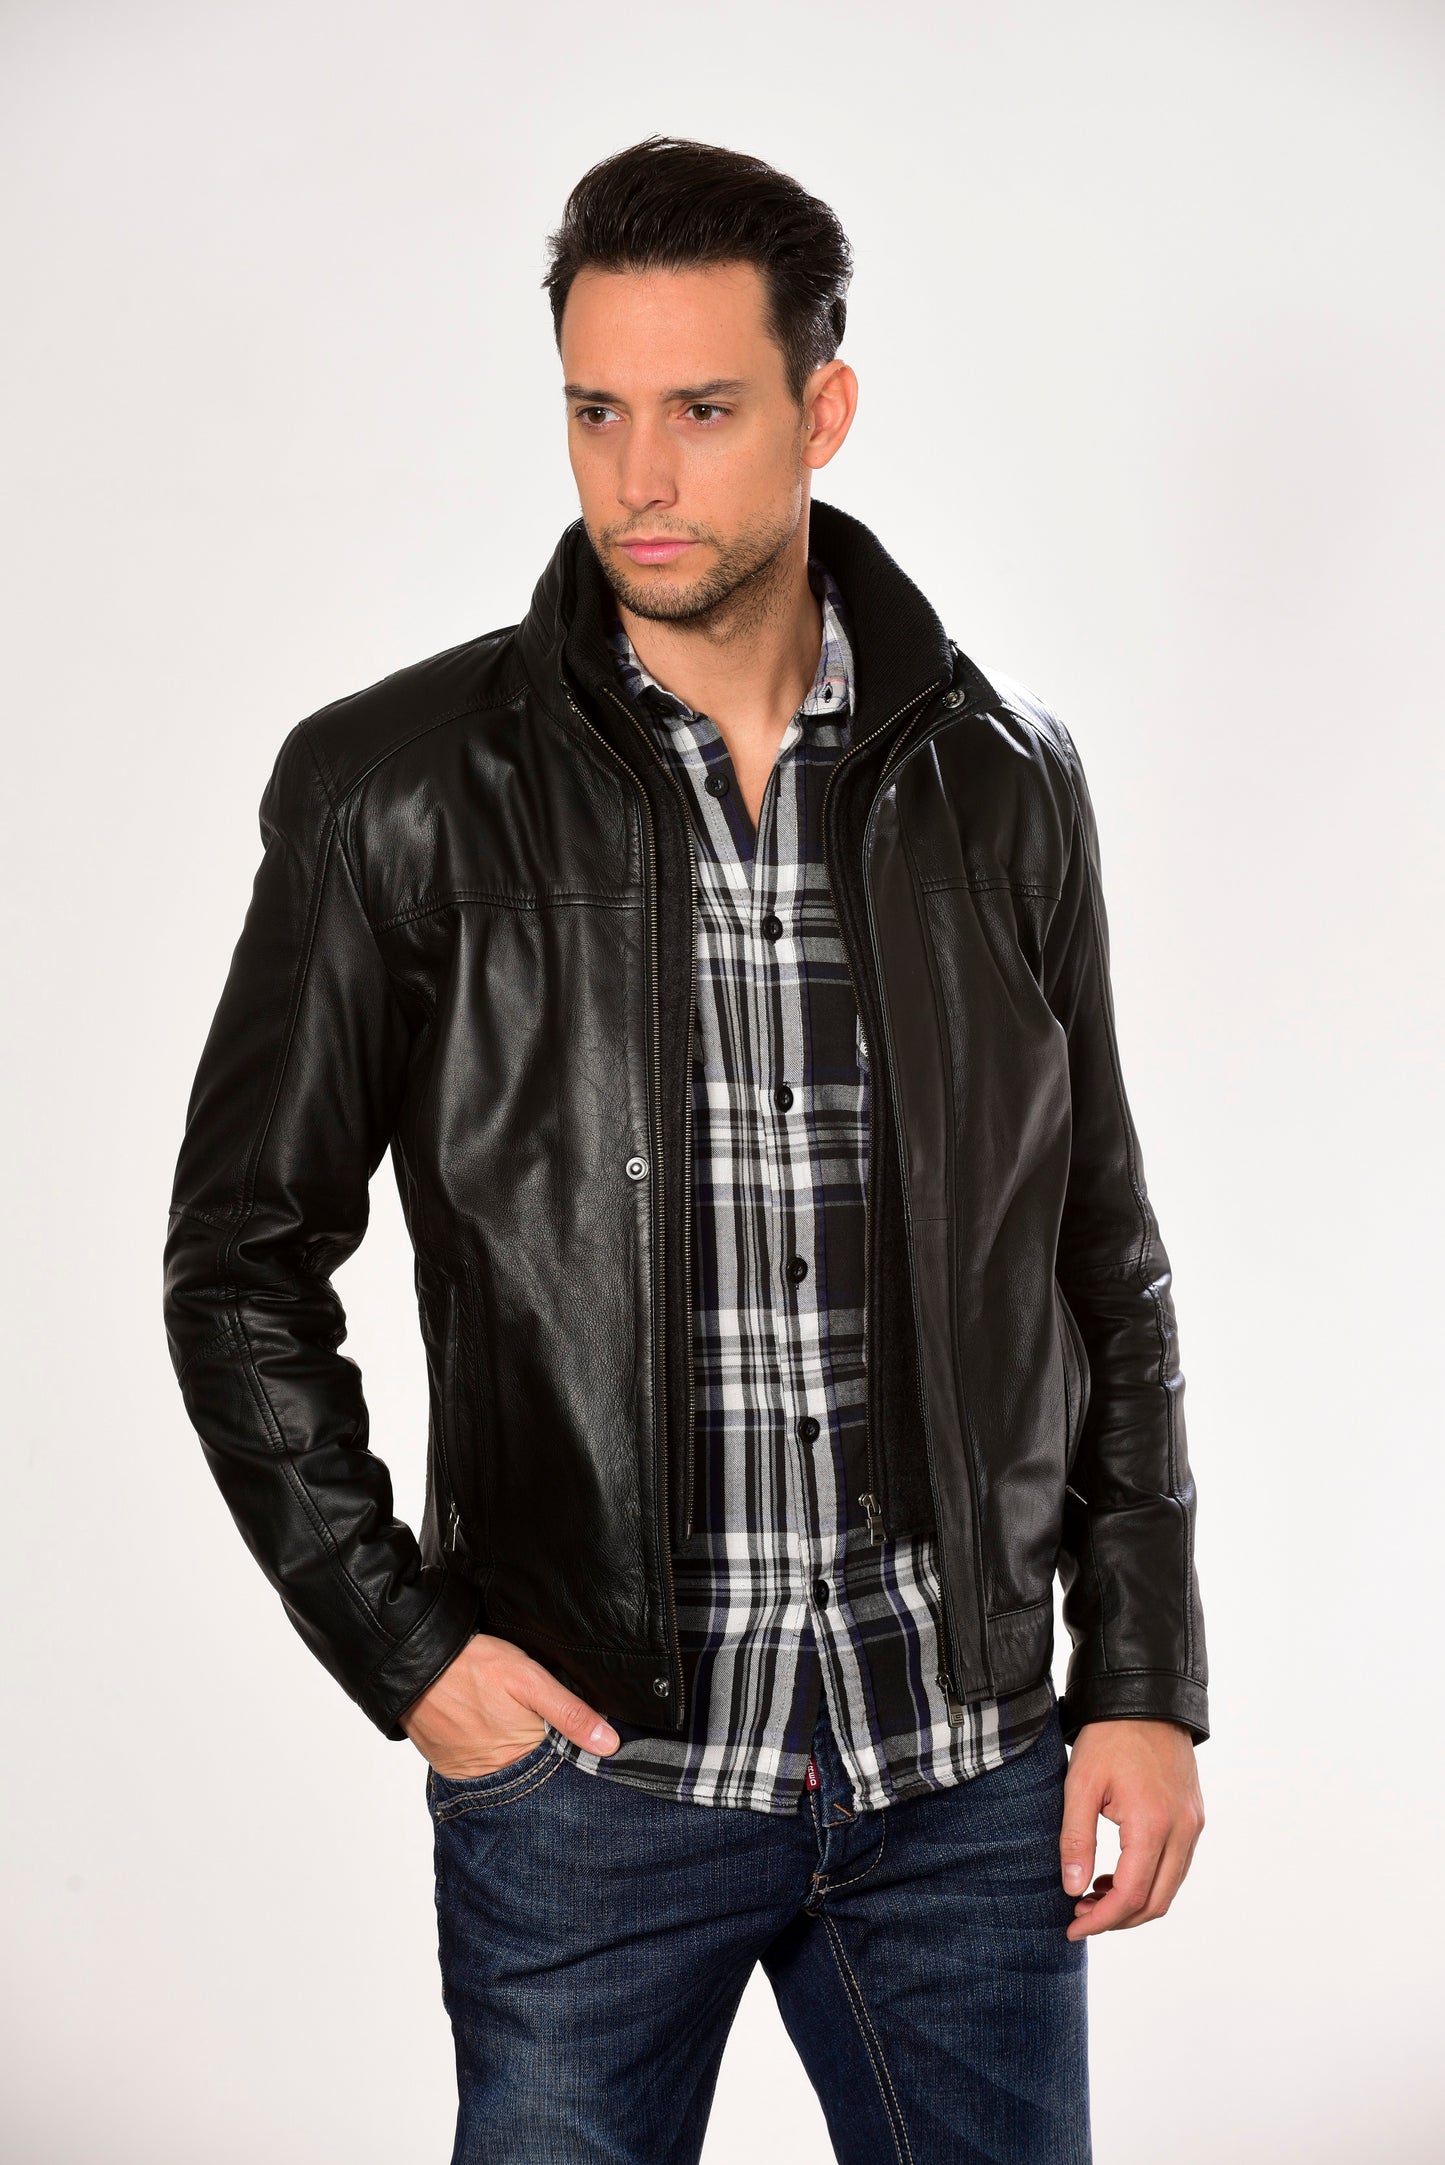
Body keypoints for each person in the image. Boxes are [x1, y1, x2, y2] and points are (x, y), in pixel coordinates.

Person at [163, 134, 1208, 2165]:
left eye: (704, 411)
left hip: (963, 1767)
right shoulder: (395, 791)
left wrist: (1145, 1676)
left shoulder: (1002, 781)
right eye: (596, 411)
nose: (638, 477)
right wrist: (408, 1651)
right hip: (596, 1782)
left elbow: (1103, 1256)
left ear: (824, 408)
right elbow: (239, 1262)